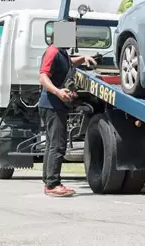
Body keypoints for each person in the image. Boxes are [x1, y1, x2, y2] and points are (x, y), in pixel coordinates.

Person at [39, 33, 96, 197]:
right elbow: (43, 76)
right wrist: (58, 92)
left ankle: (48, 181)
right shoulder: (52, 51)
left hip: (54, 105)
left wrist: (83, 57)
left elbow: (69, 62)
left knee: (51, 144)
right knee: (58, 144)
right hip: (52, 105)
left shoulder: (62, 52)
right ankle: (53, 184)